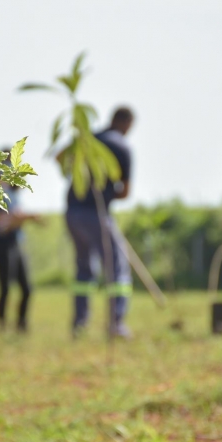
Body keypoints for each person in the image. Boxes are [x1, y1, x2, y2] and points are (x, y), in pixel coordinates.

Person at [65, 107, 135, 338]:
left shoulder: (88, 140)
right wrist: (105, 195)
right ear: (126, 123)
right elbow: (125, 192)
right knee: (117, 268)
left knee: (84, 268)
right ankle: (117, 324)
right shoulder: (121, 147)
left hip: (72, 212)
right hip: (97, 214)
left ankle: (79, 324)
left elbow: (61, 160)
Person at [0, 152, 41, 332]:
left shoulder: (13, 194)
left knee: (27, 289)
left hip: (16, 243)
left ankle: (21, 326)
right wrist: (19, 219)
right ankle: (1, 327)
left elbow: (14, 219)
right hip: (1, 244)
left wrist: (24, 219)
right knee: (5, 287)